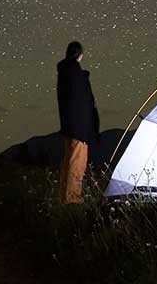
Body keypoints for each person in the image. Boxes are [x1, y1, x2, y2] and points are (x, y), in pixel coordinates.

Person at [56, 40, 99, 204]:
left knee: (69, 161)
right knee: (77, 163)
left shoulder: (65, 73)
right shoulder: (76, 75)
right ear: (79, 55)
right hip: (79, 128)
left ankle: (64, 196)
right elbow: (84, 104)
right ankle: (72, 199)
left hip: (69, 126)